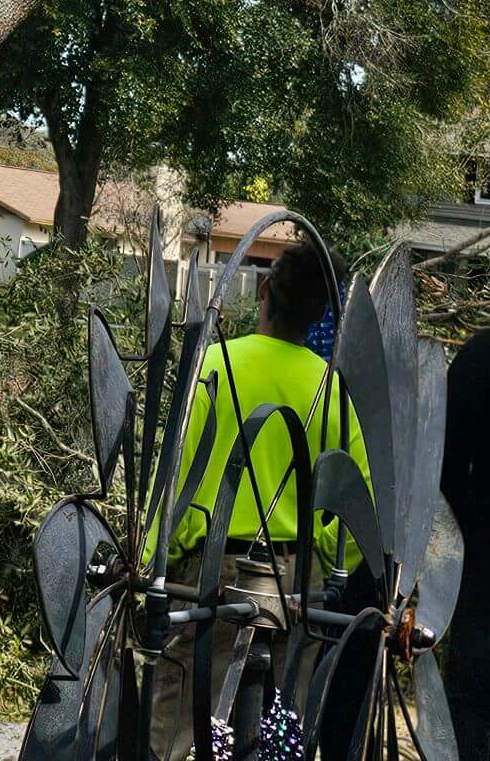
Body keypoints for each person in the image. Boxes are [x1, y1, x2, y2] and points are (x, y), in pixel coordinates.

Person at [147, 240, 371, 760]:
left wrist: (159, 560)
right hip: (297, 586)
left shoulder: (218, 364)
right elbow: (360, 503)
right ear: (318, 313)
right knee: (281, 737)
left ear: (264, 290)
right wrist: (323, 559)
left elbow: (176, 474)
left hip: (212, 575)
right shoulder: (330, 389)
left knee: (179, 729)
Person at [438, 233, 490, 759]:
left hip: (480, 558)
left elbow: (444, 467)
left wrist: (470, 528)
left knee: (468, 709)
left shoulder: (480, 357)